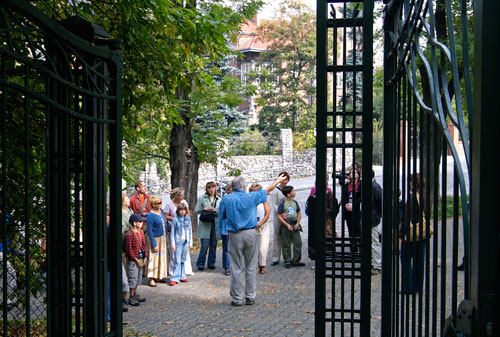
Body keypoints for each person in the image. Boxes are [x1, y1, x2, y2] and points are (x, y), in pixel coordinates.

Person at [218, 175, 286, 306]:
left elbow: (222, 217)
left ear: (232, 187)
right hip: (250, 232)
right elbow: (266, 191)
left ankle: (237, 298)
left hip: (234, 234)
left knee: (236, 267)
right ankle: (250, 296)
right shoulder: (251, 197)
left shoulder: (226, 199)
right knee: (251, 266)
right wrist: (277, 181)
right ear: (244, 187)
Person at [400, 173, 427, 294]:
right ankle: (418, 286)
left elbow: (407, 218)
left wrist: (402, 232)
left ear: (414, 183)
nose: (408, 184)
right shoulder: (426, 195)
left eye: (410, 181)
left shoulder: (412, 197)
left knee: (405, 259)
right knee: (419, 260)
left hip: (411, 234)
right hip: (423, 233)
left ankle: (409, 286)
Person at [163, 187, 194, 276]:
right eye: (181, 195)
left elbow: (188, 213)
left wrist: (184, 219)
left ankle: (185, 269)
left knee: (185, 250)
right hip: (174, 227)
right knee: (174, 251)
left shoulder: (183, 202)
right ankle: (174, 270)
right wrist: (175, 219)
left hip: (183, 227)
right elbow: (166, 216)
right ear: (176, 196)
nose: (183, 196)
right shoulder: (169, 204)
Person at [277, 186, 305, 268]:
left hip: (294, 224)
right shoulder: (282, 203)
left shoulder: (295, 202)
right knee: (286, 243)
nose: (295, 192)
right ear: (288, 194)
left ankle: (296, 260)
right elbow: (278, 215)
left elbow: (299, 212)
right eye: (293, 191)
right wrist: (286, 224)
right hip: (286, 225)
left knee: (298, 242)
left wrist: (298, 223)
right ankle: (287, 260)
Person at [195, 182, 220, 271]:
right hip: (205, 225)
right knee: (204, 245)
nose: (211, 189)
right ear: (206, 189)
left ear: (215, 188)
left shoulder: (219, 199)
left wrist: (215, 210)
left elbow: (222, 212)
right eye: (209, 188)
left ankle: (211, 263)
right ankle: (200, 263)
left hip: (215, 224)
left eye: (213, 187)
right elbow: (196, 210)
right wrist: (204, 209)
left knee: (213, 245)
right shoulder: (202, 198)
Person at [124, 214, 148, 306]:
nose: (142, 223)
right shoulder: (130, 234)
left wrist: (145, 256)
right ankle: (131, 295)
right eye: (140, 222)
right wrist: (135, 259)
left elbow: (144, 245)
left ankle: (135, 293)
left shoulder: (141, 232)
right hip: (134, 260)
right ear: (134, 223)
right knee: (132, 278)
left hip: (140, 258)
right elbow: (129, 249)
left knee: (138, 278)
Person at [146, 195, 168, 287]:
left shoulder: (160, 211)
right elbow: (149, 231)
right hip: (155, 239)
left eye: (161, 202)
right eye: (159, 203)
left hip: (162, 238)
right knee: (153, 258)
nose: (161, 204)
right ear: (154, 205)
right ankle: (151, 278)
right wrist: (154, 244)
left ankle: (159, 276)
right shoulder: (150, 215)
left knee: (161, 258)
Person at [249, 183, 271, 274]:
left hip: (263, 224)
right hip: (252, 225)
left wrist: (261, 223)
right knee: (252, 247)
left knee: (263, 247)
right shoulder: (248, 200)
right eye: (253, 191)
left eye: (257, 191)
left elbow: (267, 213)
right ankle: (253, 265)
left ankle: (262, 264)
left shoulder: (263, 200)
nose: (255, 193)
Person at [270, 171, 290, 266]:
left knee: (287, 237)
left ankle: (287, 258)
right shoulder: (276, 191)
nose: (284, 181)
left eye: (286, 179)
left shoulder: (289, 189)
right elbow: (274, 204)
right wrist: (281, 213)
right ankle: (275, 258)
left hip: (288, 216)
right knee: (277, 236)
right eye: (283, 179)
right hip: (278, 216)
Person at [169, 204, 193, 286]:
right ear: (178, 211)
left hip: (185, 241)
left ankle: (182, 275)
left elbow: (190, 231)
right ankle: (175, 277)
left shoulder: (188, 219)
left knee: (183, 259)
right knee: (177, 260)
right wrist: (173, 244)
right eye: (181, 210)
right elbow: (172, 233)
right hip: (178, 241)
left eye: (184, 210)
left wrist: (190, 242)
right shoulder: (175, 220)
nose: (182, 212)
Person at [341, 163, 362, 252]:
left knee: (358, 230)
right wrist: (346, 204)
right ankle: (353, 249)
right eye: (351, 172)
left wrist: (354, 206)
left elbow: (361, 197)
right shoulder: (346, 185)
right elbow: (343, 196)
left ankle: (361, 248)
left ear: (358, 174)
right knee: (350, 230)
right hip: (348, 210)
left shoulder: (361, 185)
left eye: (355, 172)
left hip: (357, 210)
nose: (353, 174)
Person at [218, 184, 233, 276]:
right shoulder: (226, 199)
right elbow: (223, 214)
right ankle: (227, 267)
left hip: (232, 227)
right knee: (227, 248)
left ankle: (231, 266)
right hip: (227, 227)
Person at [371, 170, 383, 275]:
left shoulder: (375, 187)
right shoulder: (372, 186)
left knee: (375, 242)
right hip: (370, 218)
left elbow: (381, 203)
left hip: (373, 219)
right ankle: (373, 263)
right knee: (372, 242)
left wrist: (377, 216)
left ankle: (377, 265)